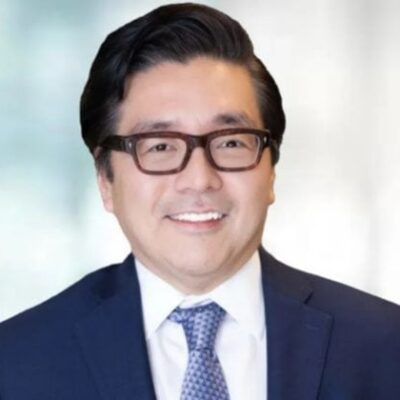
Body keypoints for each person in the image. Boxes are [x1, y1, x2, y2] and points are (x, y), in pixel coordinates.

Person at [0, 3, 399, 399]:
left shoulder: (384, 346)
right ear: (105, 180)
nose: (199, 180)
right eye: (159, 146)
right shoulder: (16, 363)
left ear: (271, 171)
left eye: (231, 143)